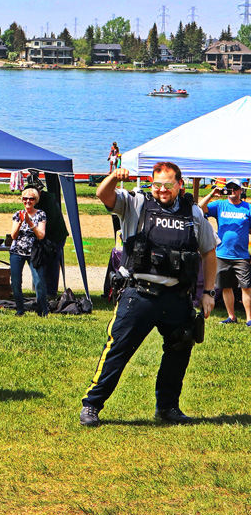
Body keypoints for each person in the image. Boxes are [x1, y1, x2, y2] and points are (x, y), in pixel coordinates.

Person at [80, 163, 217, 427]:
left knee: (179, 351)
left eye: (168, 185)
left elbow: (209, 252)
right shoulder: (136, 203)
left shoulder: (194, 214)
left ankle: (167, 408)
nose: (162, 190)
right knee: (117, 350)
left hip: (177, 298)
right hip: (139, 296)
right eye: (157, 185)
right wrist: (113, 177)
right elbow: (102, 194)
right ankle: (92, 405)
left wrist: (209, 292)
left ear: (180, 184)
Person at [198, 178, 251, 326]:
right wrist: (212, 194)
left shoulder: (247, 208)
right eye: (229, 188)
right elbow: (199, 209)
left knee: (246, 288)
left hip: (241, 255)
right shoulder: (219, 205)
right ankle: (231, 317)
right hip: (221, 255)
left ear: (241, 190)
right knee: (226, 287)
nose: (232, 191)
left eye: (235, 188)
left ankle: (249, 319)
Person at [25, 170, 69, 299]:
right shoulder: (31, 200)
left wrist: (38, 236)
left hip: (55, 235)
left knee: (53, 262)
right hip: (43, 235)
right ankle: (41, 289)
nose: (29, 198)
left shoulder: (49, 200)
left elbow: (50, 222)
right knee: (41, 262)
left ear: (39, 192)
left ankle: (51, 292)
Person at [9, 186, 48, 317]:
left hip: (34, 252)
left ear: (35, 200)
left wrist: (30, 222)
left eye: (31, 199)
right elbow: (13, 235)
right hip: (17, 251)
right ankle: (20, 309)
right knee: (15, 282)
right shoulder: (17, 214)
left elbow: (41, 235)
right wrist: (20, 222)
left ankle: (42, 310)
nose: (28, 201)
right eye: (25, 199)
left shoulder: (41, 214)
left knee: (39, 282)